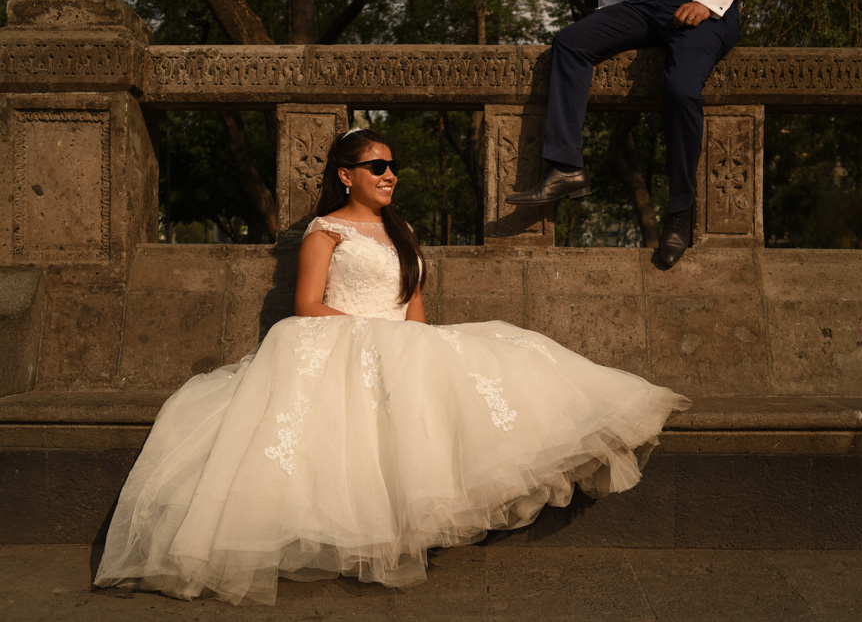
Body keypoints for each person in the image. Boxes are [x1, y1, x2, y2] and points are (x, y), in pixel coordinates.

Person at [94, 128, 690, 605]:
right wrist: (377, 338)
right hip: (343, 338)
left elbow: (414, 303)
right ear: (345, 175)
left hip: (402, 341)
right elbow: (307, 305)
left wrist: (421, 350)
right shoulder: (326, 231)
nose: (389, 175)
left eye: (392, 166)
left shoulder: (400, 229)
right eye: (376, 166)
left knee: (516, 355)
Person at [506, 0, 742, 268]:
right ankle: (565, 167)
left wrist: (707, 2)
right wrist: (610, 14)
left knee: (681, 89)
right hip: (645, 4)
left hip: (702, 8)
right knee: (570, 43)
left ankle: (680, 210)